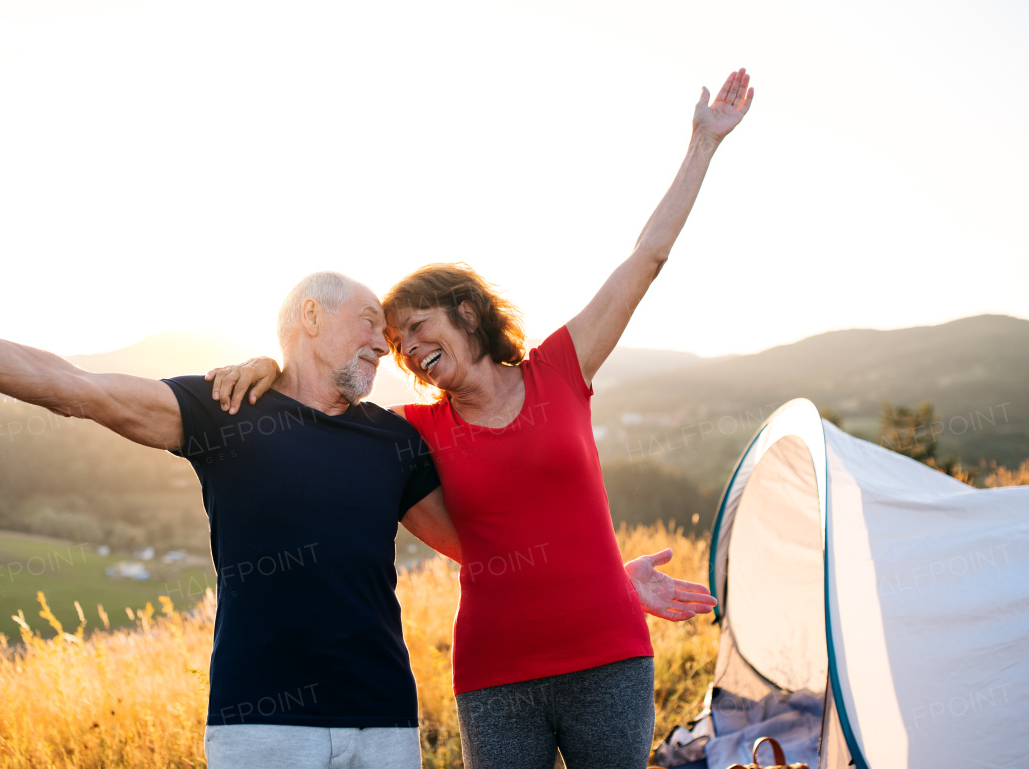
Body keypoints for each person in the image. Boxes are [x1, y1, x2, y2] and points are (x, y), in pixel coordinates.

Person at [204, 67, 753, 768]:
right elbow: (323, 407)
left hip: (608, 657)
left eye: (419, 327)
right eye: (399, 345)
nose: (409, 350)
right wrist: (267, 366)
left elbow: (644, 260)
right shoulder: (414, 432)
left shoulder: (561, 368)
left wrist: (702, 146)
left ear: (466, 311)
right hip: (495, 676)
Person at [0, 267, 462, 769]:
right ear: (311, 318)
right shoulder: (225, 410)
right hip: (263, 729)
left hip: (384, 725)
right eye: (371, 320)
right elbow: (69, 387)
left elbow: (471, 537)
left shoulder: (393, 440)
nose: (386, 338)